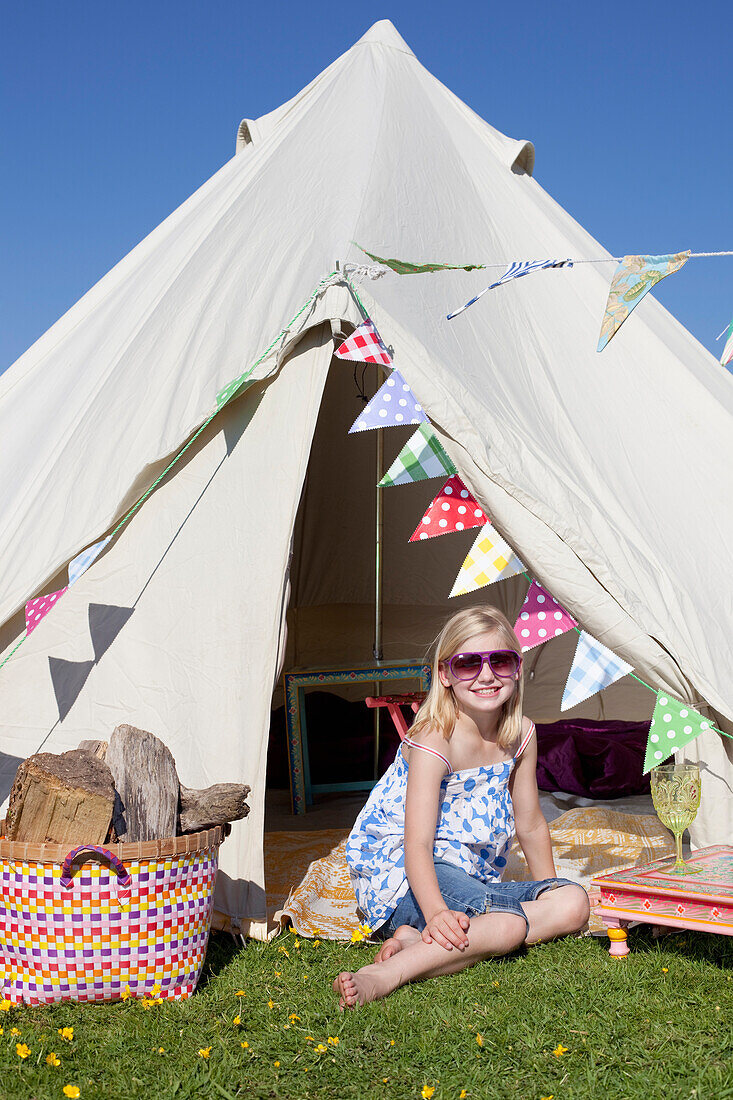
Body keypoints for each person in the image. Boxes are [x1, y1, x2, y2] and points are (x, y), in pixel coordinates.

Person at [334, 605, 589, 1008]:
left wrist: (549, 892)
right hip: (410, 878)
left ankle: (417, 941)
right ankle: (384, 974)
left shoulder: (520, 733)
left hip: (472, 881)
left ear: (517, 668)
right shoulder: (436, 739)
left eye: (500, 661)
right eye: (468, 663)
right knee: (504, 925)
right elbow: (415, 845)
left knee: (573, 902)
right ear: (445, 674)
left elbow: (531, 824)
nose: (486, 675)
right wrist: (436, 912)